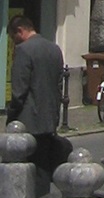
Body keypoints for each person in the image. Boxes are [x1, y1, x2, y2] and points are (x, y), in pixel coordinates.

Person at [7, 15, 69, 177]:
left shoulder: (24, 50)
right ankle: (44, 196)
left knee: (28, 168)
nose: (14, 42)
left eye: (13, 37)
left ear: (19, 31)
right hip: (50, 116)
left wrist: (11, 116)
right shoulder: (54, 49)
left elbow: (19, 89)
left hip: (29, 120)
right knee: (44, 166)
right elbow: (59, 84)